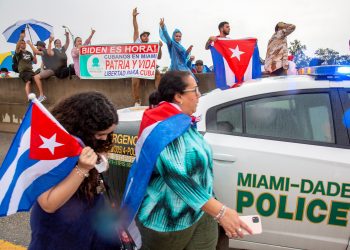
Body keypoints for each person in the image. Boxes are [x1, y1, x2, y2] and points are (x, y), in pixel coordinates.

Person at [135, 71, 252, 249]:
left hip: (200, 211)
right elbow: (177, 177)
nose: (199, 95)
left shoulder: (182, 121)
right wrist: (221, 212)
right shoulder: (162, 128)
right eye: (195, 90)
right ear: (178, 96)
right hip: (168, 219)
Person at [28, 91, 120, 249]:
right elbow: (48, 204)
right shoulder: (48, 146)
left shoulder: (91, 138)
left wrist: (100, 161)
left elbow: (101, 163)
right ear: (82, 129)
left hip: (93, 213)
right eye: (100, 134)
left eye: (109, 133)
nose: (105, 139)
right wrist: (81, 169)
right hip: (62, 223)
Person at [131, 7, 163, 106]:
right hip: (138, 66)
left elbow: (159, 57)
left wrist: (160, 48)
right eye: (144, 35)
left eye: (147, 36)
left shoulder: (151, 46)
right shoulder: (137, 42)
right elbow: (135, 28)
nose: (146, 37)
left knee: (158, 74)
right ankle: (137, 101)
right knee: (135, 80)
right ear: (140, 37)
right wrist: (134, 17)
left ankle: (158, 97)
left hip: (148, 67)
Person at [15, 32, 45, 100]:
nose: (24, 44)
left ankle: (41, 95)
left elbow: (35, 62)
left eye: (24, 43)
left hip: (30, 71)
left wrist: (34, 54)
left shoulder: (29, 53)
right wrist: (21, 38)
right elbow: (17, 47)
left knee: (37, 78)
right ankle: (29, 97)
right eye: (22, 43)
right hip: (24, 71)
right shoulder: (19, 52)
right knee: (28, 82)